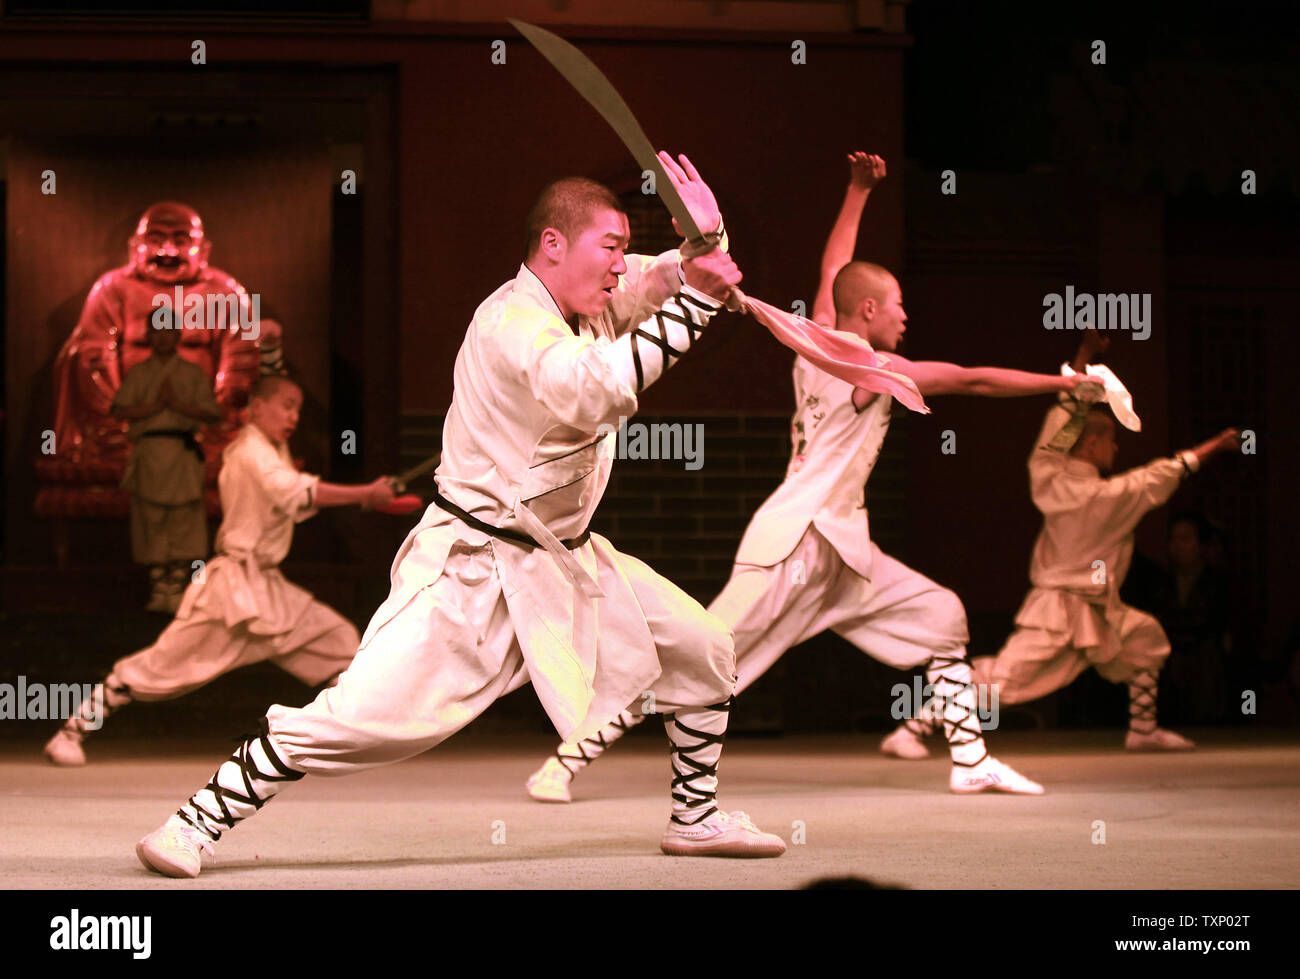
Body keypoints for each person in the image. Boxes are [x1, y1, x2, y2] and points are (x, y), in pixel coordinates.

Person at [133, 153, 787, 879]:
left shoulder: (597, 294)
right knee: (360, 721)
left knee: (702, 645)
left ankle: (694, 818)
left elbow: (668, 274)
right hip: (472, 569)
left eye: (621, 250)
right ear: (552, 246)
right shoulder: (510, 322)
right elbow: (593, 390)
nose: (619, 264)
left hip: (567, 559)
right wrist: (697, 297)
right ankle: (193, 820)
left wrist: (707, 237)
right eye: (609, 247)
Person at [526, 152, 1095, 804]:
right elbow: (970, 378)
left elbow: (834, 272)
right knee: (697, 652)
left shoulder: (820, 338)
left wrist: (856, 192)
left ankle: (970, 758)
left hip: (844, 547)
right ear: (871, 310)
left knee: (942, 615)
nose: (906, 317)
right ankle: (568, 758)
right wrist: (1067, 382)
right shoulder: (862, 365)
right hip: (798, 542)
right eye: (898, 306)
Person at [882, 331, 1242, 753]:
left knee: (1145, 640)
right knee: (1002, 681)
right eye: (1108, 439)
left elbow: (1053, 443)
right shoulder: (1105, 497)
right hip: (1059, 610)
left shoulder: (1051, 480)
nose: (1115, 446)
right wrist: (1216, 446)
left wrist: (1083, 366)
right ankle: (912, 728)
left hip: (1098, 608)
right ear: (1092, 444)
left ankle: (1142, 730)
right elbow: (1162, 475)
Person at [43, 374, 394, 766]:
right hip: (232, 591)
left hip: (268, 588)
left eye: (298, 408)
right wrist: (366, 493)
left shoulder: (273, 449)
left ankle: (338, 739)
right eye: (285, 405)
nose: (293, 416)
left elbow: (296, 495)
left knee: (340, 643)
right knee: (158, 667)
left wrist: (366, 498)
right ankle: (71, 731)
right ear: (256, 408)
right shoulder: (250, 452)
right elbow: (297, 491)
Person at [111, 311, 221, 611]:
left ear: (178, 335)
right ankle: (159, 585)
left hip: (182, 452)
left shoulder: (193, 373)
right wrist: (156, 406)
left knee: (184, 519)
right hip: (149, 450)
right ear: (148, 334)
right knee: (151, 517)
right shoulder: (138, 373)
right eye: (156, 331)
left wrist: (179, 406)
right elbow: (119, 411)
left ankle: (180, 585)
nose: (162, 336)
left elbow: (213, 413)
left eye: (168, 330)